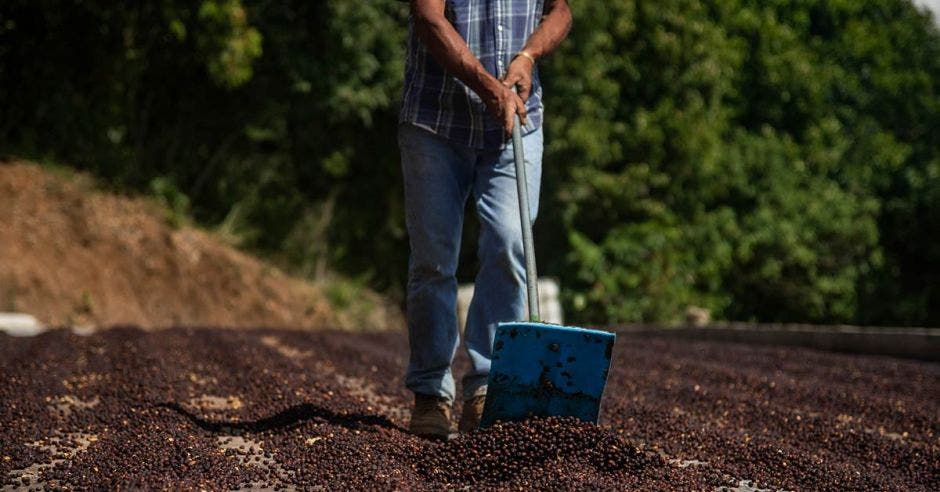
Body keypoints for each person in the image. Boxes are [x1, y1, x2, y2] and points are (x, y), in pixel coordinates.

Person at [399, 0, 572, 439]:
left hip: (515, 124)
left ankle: (485, 387)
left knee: (511, 242)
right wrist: (486, 85)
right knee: (434, 260)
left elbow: (560, 11)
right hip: (436, 123)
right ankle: (431, 394)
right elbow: (428, 17)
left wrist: (528, 56)